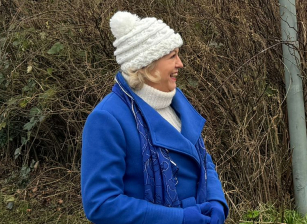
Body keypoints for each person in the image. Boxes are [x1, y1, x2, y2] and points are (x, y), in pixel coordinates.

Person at [81, 11, 228, 224]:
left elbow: (202, 159)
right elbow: (101, 203)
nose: (180, 64)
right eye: (172, 56)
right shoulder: (108, 119)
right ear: (147, 66)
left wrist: (216, 200)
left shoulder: (176, 101)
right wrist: (179, 219)